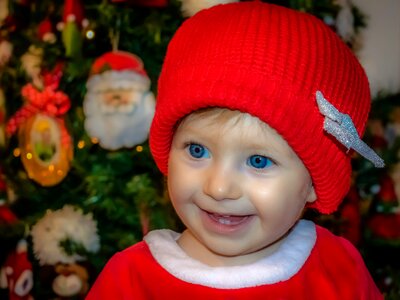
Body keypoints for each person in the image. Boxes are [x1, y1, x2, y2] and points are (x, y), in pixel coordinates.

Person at [86, 2, 384, 299]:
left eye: (258, 160)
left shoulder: (339, 271)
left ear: (313, 184)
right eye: (197, 151)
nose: (218, 187)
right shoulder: (128, 281)